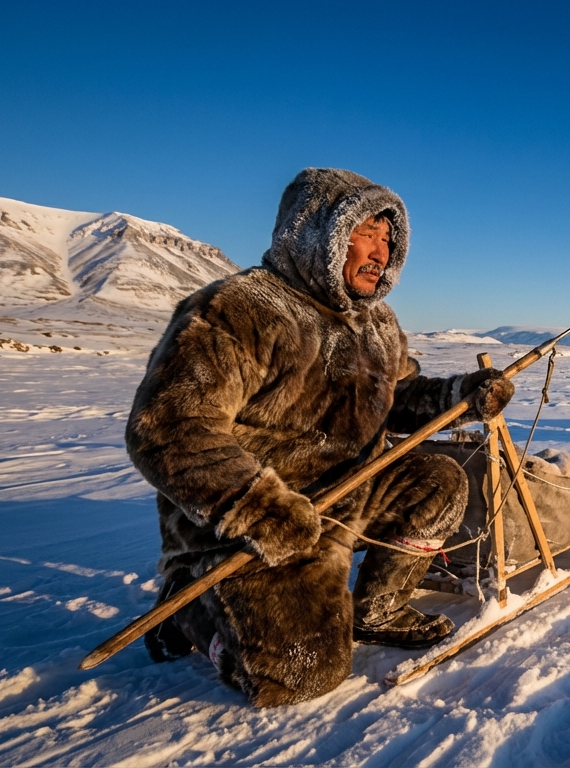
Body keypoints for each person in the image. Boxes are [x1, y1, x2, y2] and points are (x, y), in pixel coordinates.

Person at [125, 168, 514, 707]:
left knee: (439, 479)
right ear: (317, 234)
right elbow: (169, 427)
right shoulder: (238, 311)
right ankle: (190, 606)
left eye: (387, 238)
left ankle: (378, 608)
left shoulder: (377, 323)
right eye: (365, 233)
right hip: (263, 520)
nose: (380, 251)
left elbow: (397, 397)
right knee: (301, 675)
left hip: (349, 494)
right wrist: (258, 509)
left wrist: (460, 394)